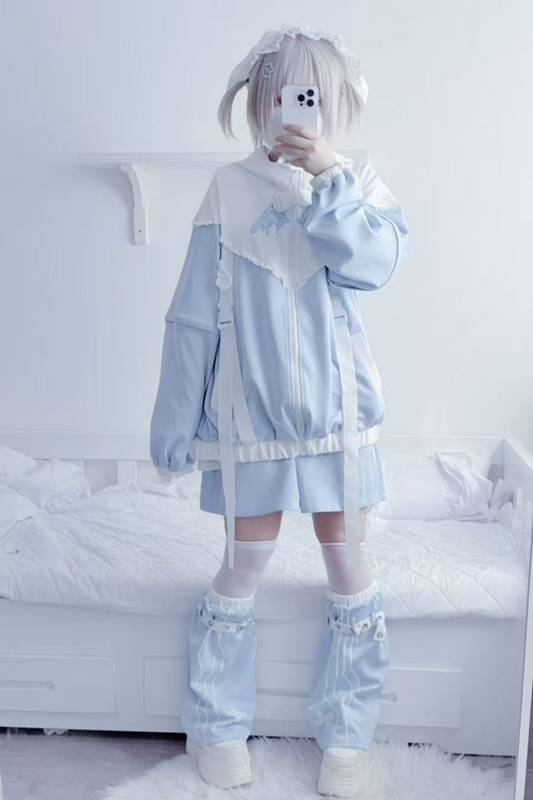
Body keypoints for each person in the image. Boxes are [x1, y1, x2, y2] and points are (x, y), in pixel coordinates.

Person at [150, 23, 408, 797]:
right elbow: (191, 315)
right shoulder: (227, 190)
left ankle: (347, 738)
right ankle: (217, 726)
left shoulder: (356, 186)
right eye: (280, 96)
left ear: (333, 106)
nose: (292, 112)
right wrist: (173, 422)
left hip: (339, 424)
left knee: (348, 565)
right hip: (249, 423)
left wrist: (329, 179)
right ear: (256, 101)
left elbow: (374, 266)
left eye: (310, 98)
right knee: (244, 564)